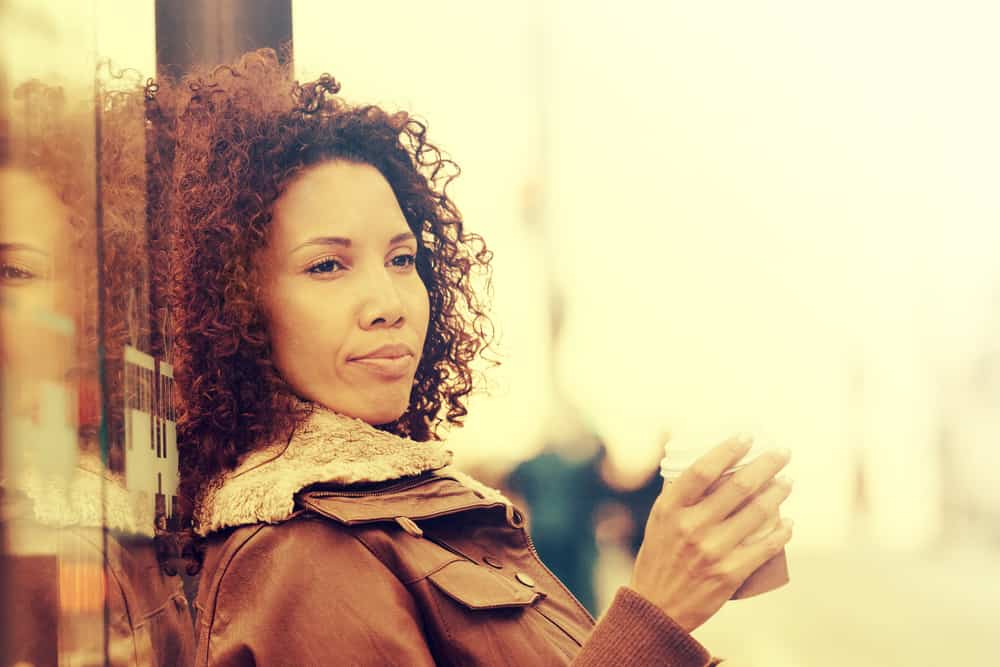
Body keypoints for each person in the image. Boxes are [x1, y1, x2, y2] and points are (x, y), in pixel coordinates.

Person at [163, 49, 793, 667]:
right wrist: (656, 613)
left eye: (402, 259)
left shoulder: (404, 511)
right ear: (241, 306)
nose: (389, 303)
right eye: (327, 265)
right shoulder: (301, 557)